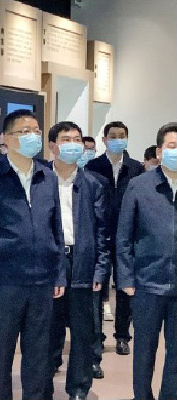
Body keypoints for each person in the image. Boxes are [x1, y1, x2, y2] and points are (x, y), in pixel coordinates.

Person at [0, 109, 66, 400]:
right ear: (7, 139)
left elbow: (56, 229)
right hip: (4, 281)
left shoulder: (47, 177)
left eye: (35, 131)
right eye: (24, 132)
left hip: (42, 280)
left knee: (38, 352)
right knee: (2, 352)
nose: (32, 136)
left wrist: (58, 273)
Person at [44, 122, 109, 400]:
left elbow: (103, 231)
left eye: (77, 139)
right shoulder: (39, 180)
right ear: (53, 146)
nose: (73, 144)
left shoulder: (93, 184)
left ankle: (79, 388)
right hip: (49, 265)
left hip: (83, 264)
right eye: (66, 139)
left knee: (83, 331)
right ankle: (43, 383)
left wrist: (101, 268)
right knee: (47, 329)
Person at [117, 122, 177, 400]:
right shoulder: (139, 186)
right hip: (147, 283)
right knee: (144, 349)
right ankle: (142, 396)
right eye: (172, 146)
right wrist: (126, 277)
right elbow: (124, 236)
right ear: (160, 151)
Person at [85, 121, 144, 356]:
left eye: (122, 136)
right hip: (100, 233)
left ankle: (122, 335)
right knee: (98, 287)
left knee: (124, 287)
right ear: (104, 140)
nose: (117, 140)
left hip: (127, 236)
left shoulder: (136, 168)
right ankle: (96, 335)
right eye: (113, 136)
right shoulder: (93, 166)